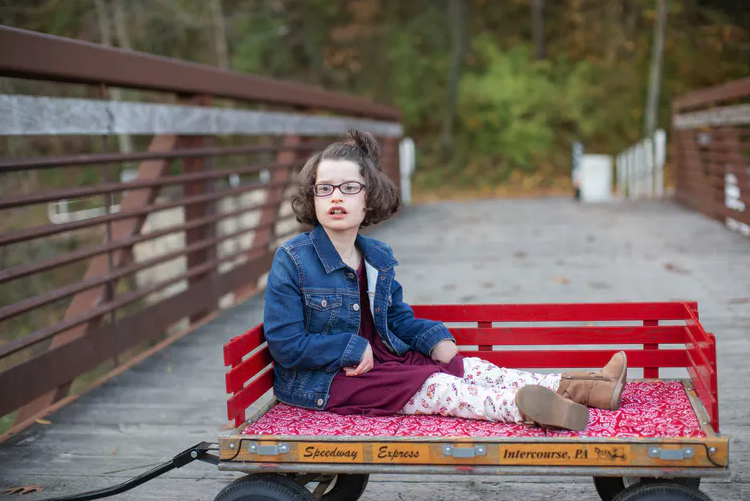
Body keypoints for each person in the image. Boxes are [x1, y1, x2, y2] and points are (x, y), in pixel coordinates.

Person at [262, 129, 628, 431]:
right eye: (324, 189)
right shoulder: (293, 260)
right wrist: (348, 347)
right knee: (439, 387)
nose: (336, 197)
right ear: (313, 199)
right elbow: (284, 343)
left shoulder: (376, 256)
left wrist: (434, 338)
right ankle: (533, 409)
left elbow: (396, 318)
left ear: (368, 197)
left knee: (470, 368)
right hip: (330, 381)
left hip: (388, 361)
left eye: (348, 188)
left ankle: (586, 388)